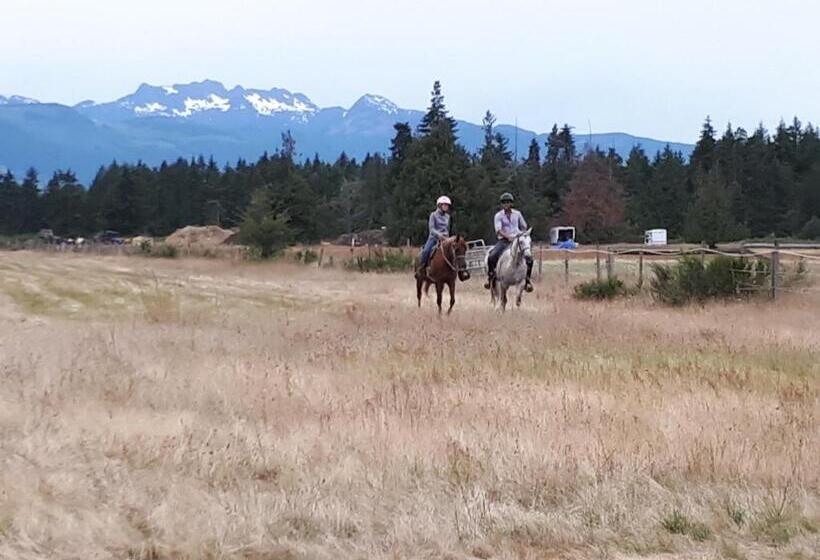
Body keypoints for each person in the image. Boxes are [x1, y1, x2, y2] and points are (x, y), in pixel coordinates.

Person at [484, 192, 533, 292]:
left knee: (529, 259)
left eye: (508, 202)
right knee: (492, 256)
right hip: (504, 240)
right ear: (501, 204)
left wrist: (522, 234)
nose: (506, 204)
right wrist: (508, 237)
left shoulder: (517, 214)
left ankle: (527, 280)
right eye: (504, 203)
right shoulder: (498, 215)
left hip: (517, 239)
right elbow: (498, 230)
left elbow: (524, 226)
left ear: (511, 203)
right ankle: (491, 277)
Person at [416, 195, 451, 278]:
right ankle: (421, 268)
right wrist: (439, 235)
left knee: (454, 251)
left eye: (447, 205)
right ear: (439, 205)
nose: (446, 207)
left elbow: (447, 229)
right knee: (426, 251)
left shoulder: (448, 217)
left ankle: (457, 271)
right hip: (434, 238)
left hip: (445, 239)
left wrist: (447, 237)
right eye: (444, 205)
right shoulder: (433, 215)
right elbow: (431, 229)